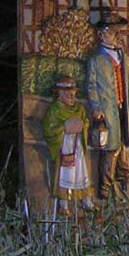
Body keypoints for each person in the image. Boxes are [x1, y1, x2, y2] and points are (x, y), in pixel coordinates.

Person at [86, 13, 129, 201]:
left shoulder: (121, 55)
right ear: (102, 35)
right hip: (107, 111)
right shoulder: (96, 59)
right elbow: (91, 86)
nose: (117, 36)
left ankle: (124, 179)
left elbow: (127, 82)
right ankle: (104, 190)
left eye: (118, 32)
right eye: (113, 32)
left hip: (121, 108)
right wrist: (96, 106)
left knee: (121, 144)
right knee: (110, 149)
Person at [41, 76, 94, 214]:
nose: (72, 96)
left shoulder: (79, 109)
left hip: (77, 145)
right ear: (60, 94)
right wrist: (64, 128)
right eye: (68, 93)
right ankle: (63, 203)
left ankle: (86, 200)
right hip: (64, 145)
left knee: (81, 172)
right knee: (65, 173)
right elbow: (48, 127)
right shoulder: (55, 109)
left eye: (73, 93)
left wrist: (82, 126)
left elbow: (85, 122)